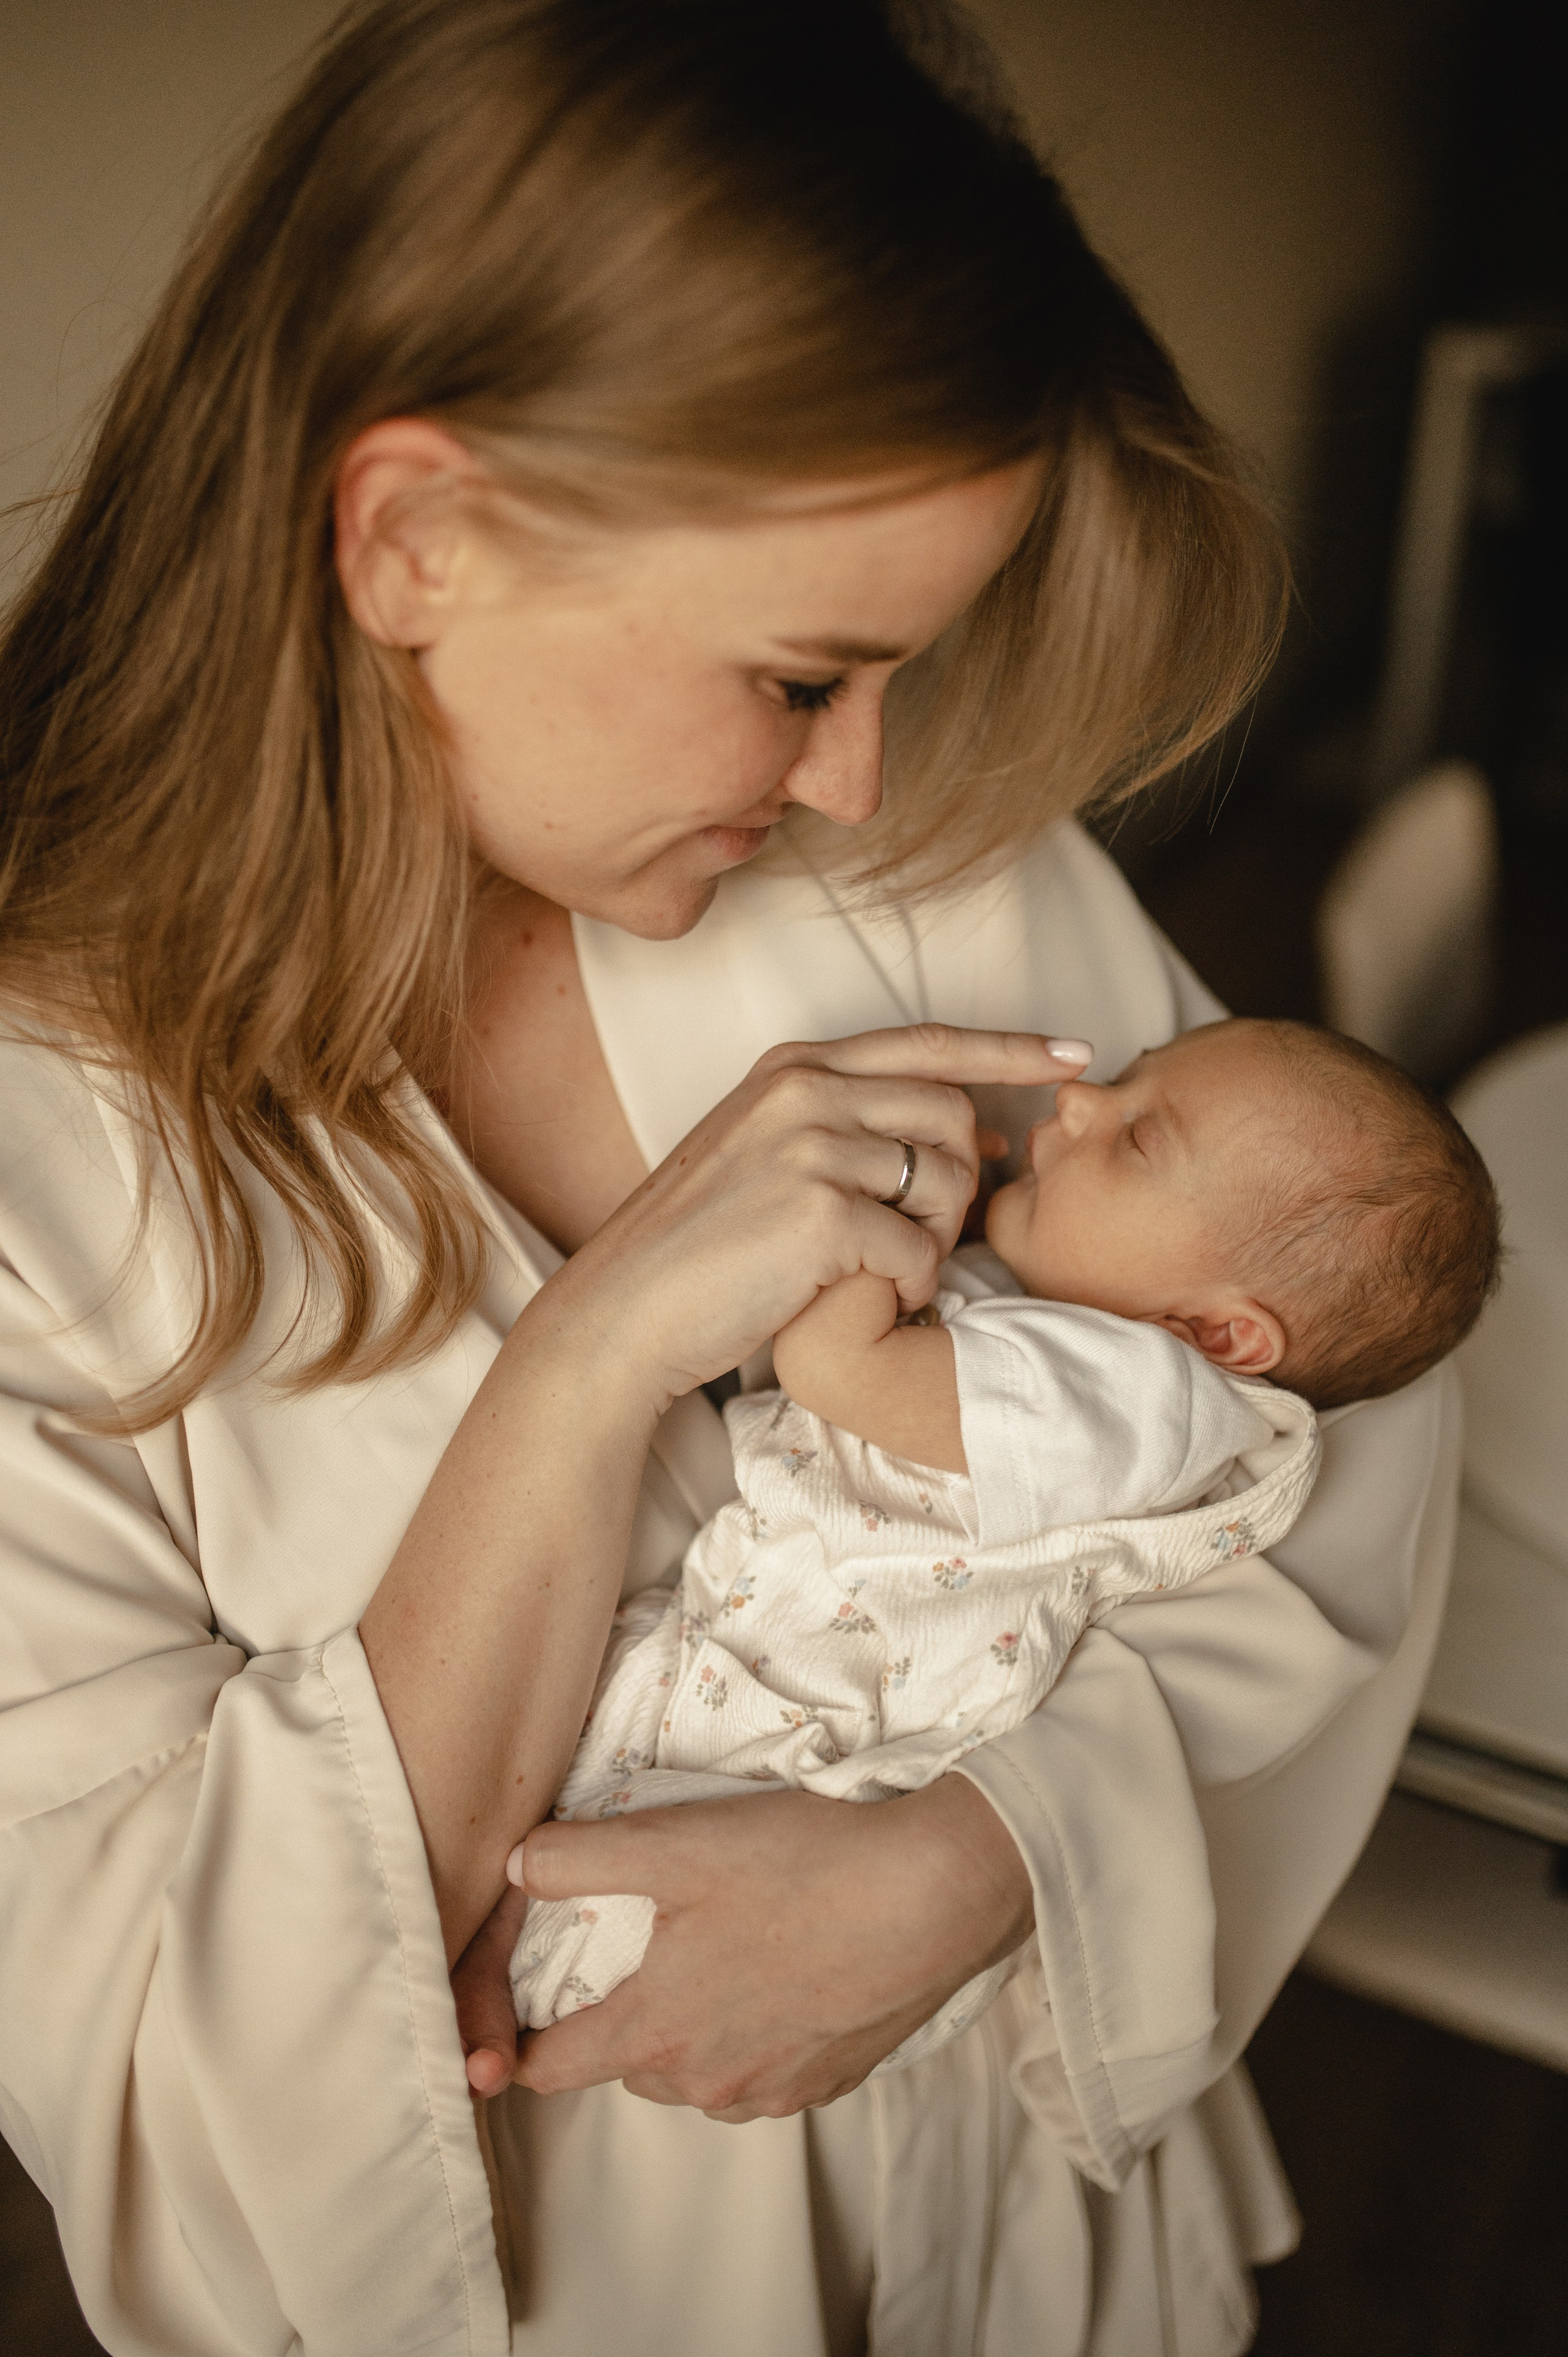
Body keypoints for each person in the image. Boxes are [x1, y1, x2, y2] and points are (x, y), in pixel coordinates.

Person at [0, 4, 1454, 2353]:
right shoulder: (35, 1169)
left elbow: (1331, 1379)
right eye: (801, 678)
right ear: (418, 536)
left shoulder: (926, 893)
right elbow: (171, 2063)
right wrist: (581, 1369)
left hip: (1032, 2234)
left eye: (901, 671)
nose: (866, 782)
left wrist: (989, 1858)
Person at [508, 1017, 1499, 2048]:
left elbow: (837, 1368)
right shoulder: (1094, 1338)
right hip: (776, 1650)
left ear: (1216, 1335)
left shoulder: (1131, 1398)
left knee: (589, 1873)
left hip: (820, 1703)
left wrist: (881, 1216)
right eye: (1119, 1081)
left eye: (1136, 1139)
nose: (1078, 1105)